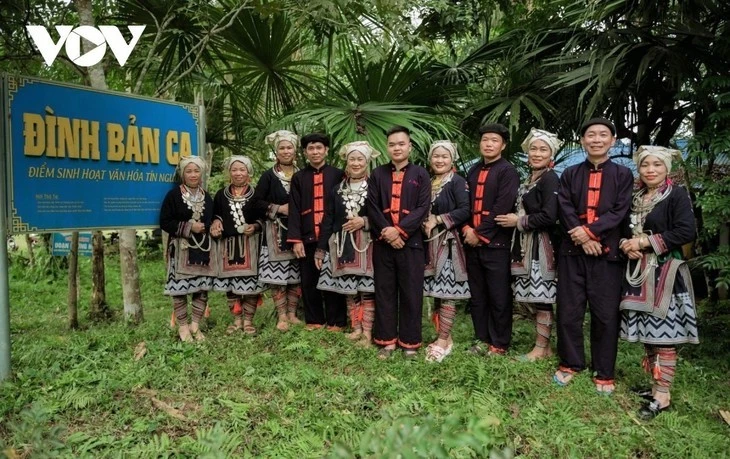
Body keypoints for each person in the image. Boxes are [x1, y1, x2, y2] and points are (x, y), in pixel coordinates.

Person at [553, 118, 633, 395]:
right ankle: (570, 362)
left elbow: (620, 211)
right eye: (591, 135)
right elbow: (563, 206)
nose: (596, 139)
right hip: (572, 251)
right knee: (568, 310)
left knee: (605, 314)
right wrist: (580, 234)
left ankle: (604, 371)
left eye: (603, 135)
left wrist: (590, 233)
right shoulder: (570, 174)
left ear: (612, 141)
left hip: (606, 253)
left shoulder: (623, 175)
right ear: (582, 140)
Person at [619, 145, 698, 420]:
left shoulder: (676, 195)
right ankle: (655, 386)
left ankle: (662, 396)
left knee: (665, 335)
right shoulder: (636, 196)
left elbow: (687, 230)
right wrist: (626, 244)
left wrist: (644, 241)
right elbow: (624, 229)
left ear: (667, 168)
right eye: (645, 165)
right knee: (649, 334)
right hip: (639, 271)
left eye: (657, 165)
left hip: (665, 271)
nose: (651, 170)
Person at [495, 128, 562, 361]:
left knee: (541, 297)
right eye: (533, 148)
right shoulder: (531, 178)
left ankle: (541, 348)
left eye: (543, 149)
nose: (536, 153)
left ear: (551, 153)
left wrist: (518, 220)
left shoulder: (551, 178)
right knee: (532, 296)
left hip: (541, 246)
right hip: (525, 245)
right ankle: (543, 345)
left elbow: (550, 216)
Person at [367, 126, 431, 359]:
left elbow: (423, 208)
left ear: (409, 147)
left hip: (411, 244)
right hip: (383, 243)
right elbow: (372, 207)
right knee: (384, 291)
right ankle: (386, 341)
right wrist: (387, 232)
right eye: (392, 144)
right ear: (387, 147)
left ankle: (410, 342)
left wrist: (401, 231)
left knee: (411, 292)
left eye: (401, 144)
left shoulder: (421, 174)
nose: (397, 148)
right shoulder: (377, 174)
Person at [463, 123, 520, 356]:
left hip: (496, 243)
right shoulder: (473, 170)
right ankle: (481, 338)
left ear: (503, 145)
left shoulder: (508, 171)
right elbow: (465, 204)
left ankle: (499, 343)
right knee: (477, 295)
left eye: (494, 140)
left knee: (499, 295)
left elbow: (502, 206)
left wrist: (480, 233)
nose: (488, 144)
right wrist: (467, 228)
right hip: (471, 241)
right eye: (485, 139)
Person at [315, 141, 379, 345]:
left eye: (360, 159)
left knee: (367, 290)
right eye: (352, 159)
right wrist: (321, 248)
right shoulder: (336, 190)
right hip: (343, 245)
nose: (356, 163)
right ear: (347, 161)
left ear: (367, 161)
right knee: (350, 289)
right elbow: (329, 219)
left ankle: (368, 333)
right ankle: (356, 327)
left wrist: (365, 221)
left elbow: (383, 215)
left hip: (368, 244)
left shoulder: (376, 186)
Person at [287, 133, 347, 330]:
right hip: (307, 235)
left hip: (333, 237)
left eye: (319, 148)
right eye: (311, 149)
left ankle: (336, 321)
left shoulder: (338, 174)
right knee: (309, 279)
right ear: (305, 152)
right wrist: (296, 239)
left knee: (333, 278)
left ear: (326, 150)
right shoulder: (298, 177)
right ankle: (314, 320)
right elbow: (294, 209)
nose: (315, 152)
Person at [421, 141, 471, 362]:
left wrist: (439, 219)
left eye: (444, 156)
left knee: (447, 292)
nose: (440, 160)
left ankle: (443, 341)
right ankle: (444, 336)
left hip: (449, 244)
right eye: (436, 156)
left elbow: (465, 210)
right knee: (436, 292)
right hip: (429, 244)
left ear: (452, 159)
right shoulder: (430, 182)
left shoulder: (458, 182)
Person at [160, 156, 214, 342]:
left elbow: (212, 219)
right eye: (188, 171)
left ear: (202, 173)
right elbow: (165, 222)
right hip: (181, 249)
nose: (193, 175)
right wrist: (190, 227)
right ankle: (183, 328)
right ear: (182, 174)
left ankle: (195, 326)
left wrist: (214, 225)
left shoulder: (207, 196)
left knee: (201, 288)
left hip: (203, 250)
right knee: (179, 289)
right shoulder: (173, 196)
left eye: (196, 171)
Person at [211, 155, 266, 335]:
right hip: (228, 246)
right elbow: (216, 214)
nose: (238, 173)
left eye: (242, 169)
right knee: (231, 285)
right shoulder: (221, 194)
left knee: (250, 285)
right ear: (229, 172)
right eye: (234, 170)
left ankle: (248, 321)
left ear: (248, 172)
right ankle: (236, 320)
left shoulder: (257, 194)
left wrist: (256, 226)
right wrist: (215, 223)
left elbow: (263, 217)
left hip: (251, 244)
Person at [254, 130, 301, 331]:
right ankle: (281, 316)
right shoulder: (268, 177)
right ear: (276, 151)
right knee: (278, 277)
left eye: (289, 147)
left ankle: (292, 313)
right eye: (281, 148)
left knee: (295, 276)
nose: (285, 151)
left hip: (299, 232)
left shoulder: (303, 174)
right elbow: (255, 202)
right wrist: (279, 208)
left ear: (295, 150)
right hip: (275, 233)